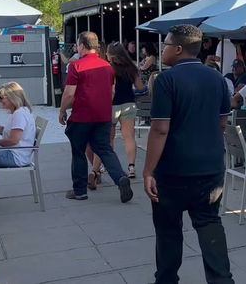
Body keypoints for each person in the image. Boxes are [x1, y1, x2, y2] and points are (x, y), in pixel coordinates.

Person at [142, 25, 234, 283]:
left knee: (169, 231)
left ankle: (167, 279)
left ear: (179, 49)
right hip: (211, 168)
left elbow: (160, 129)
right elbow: (222, 122)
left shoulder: (166, 80)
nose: (163, 49)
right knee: (209, 224)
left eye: (166, 45)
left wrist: (148, 170)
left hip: (173, 171)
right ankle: (222, 280)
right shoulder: (217, 78)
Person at [59, 31, 133, 203]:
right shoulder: (107, 66)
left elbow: (69, 94)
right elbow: (112, 91)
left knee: (78, 152)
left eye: (78, 45)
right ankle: (120, 177)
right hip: (103, 116)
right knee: (105, 149)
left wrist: (62, 111)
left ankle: (79, 191)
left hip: (82, 116)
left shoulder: (77, 66)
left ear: (82, 46)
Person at [88, 42, 144, 183]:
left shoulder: (107, 68)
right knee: (129, 137)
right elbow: (141, 88)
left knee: (107, 139)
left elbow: (106, 89)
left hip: (111, 106)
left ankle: (100, 169)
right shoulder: (132, 67)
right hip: (129, 104)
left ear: (111, 55)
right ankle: (131, 167)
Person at [0, 82, 36, 168]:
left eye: (1, 98)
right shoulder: (20, 111)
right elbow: (3, 130)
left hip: (15, 157)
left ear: (13, 97)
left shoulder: (19, 114)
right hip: (16, 154)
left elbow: (13, 140)